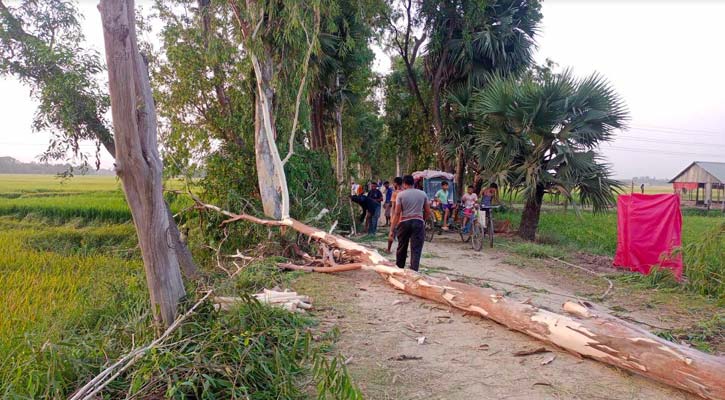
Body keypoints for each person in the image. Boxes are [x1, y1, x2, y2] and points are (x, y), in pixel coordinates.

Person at [390, 175, 431, 271]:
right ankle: (414, 271)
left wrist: (392, 229)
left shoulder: (401, 195)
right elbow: (428, 211)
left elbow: (397, 213)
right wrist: (422, 220)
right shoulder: (422, 194)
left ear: (404, 184)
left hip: (404, 222)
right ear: (414, 183)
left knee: (402, 247)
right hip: (418, 222)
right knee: (416, 249)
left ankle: (399, 269)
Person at [387, 177, 403, 252]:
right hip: (404, 217)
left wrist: (392, 217)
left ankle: (388, 249)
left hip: (396, 216)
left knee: (391, 233)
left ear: (396, 183)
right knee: (402, 236)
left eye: (394, 182)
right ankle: (402, 251)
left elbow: (393, 207)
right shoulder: (404, 192)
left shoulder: (395, 193)